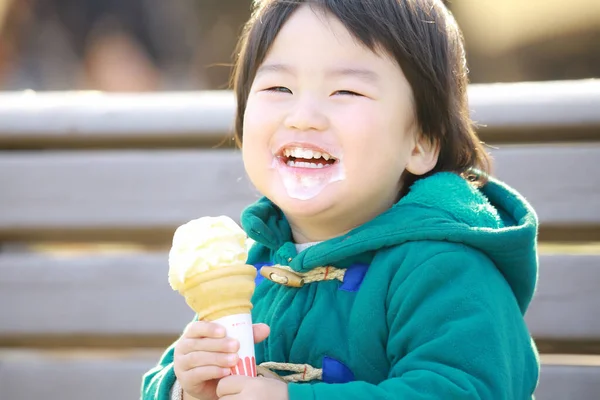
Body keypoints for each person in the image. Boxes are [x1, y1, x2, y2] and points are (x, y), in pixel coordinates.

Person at [142, 0, 540, 399]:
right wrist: (185, 386)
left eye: (346, 90)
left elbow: (461, 390)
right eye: (279, 87)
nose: (303, 116)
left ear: (421, 142)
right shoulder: (251, 264)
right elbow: (161, 382)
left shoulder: (447, 268)